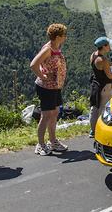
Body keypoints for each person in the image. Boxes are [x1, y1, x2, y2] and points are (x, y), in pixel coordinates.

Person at [30, 24, 68, 156]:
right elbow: (33, 64)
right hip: (46, 87)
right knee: (46, 115)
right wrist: (43, 77)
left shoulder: (56, 47)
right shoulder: (47, 49)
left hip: (56, 86)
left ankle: (52, 141)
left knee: (55, 111)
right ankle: (40, 144)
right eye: (64, 35)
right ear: (57, 37)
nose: (66, 37)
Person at [88, 36, 112, 138]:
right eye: (108, 45)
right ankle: (101, 131)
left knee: (94, 108)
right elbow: (109, 75)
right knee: (103, 109)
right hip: (104, 86)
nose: (109, 47)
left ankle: (92, 131)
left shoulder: (93, 56)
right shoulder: (103, 60)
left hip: (95, 85)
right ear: (104, 47)